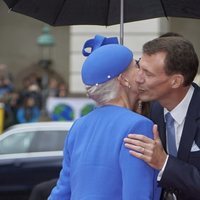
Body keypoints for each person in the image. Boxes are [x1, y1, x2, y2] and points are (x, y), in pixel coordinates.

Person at [48, 35, 161, 200]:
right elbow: (137, 195)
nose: (141, 71)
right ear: (124, 79)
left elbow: (62, 193)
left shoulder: (79, 126)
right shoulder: (138, 125)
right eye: (136, 65)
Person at [124, 36, 200, 200]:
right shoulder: (149, 112)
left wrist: (164, 163)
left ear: (176, 81)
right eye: (139, 67)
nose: (138, 78)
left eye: (148, 74)